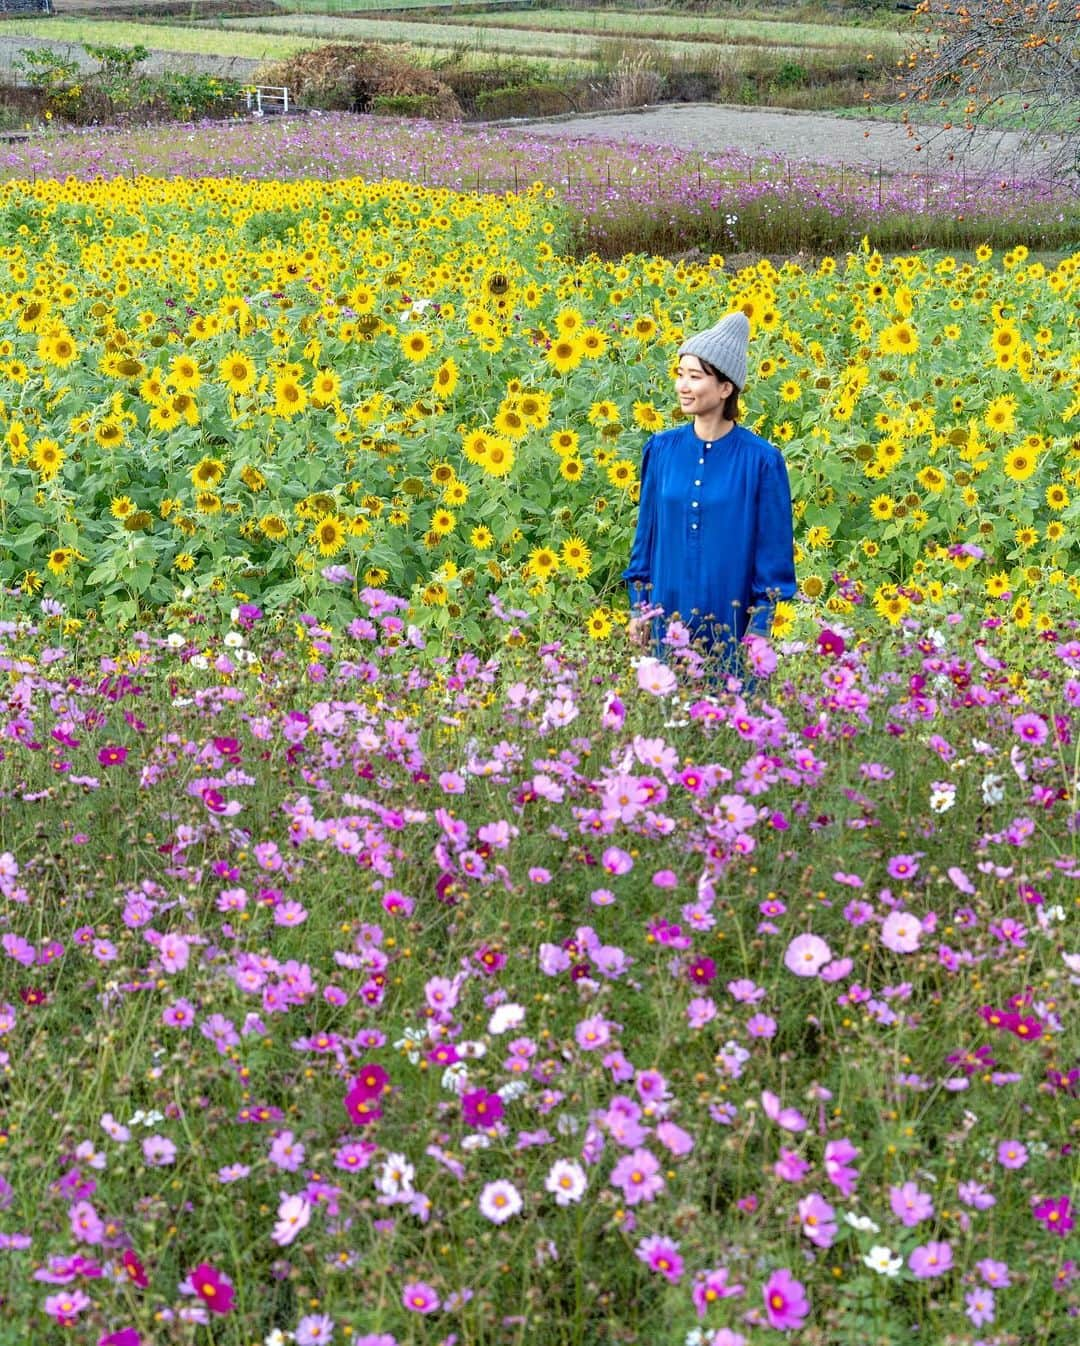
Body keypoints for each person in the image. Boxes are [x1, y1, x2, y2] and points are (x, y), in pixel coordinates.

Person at [624, 311, 797, 678]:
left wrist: (760, 630)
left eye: (695, 377)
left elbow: (773, 556)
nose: (682, 386)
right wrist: (639, 608)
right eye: (680, 374)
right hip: (665, 616)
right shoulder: (662, 449)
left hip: (729, 626)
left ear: (725, 388)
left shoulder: (762, 461)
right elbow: (646, 537)